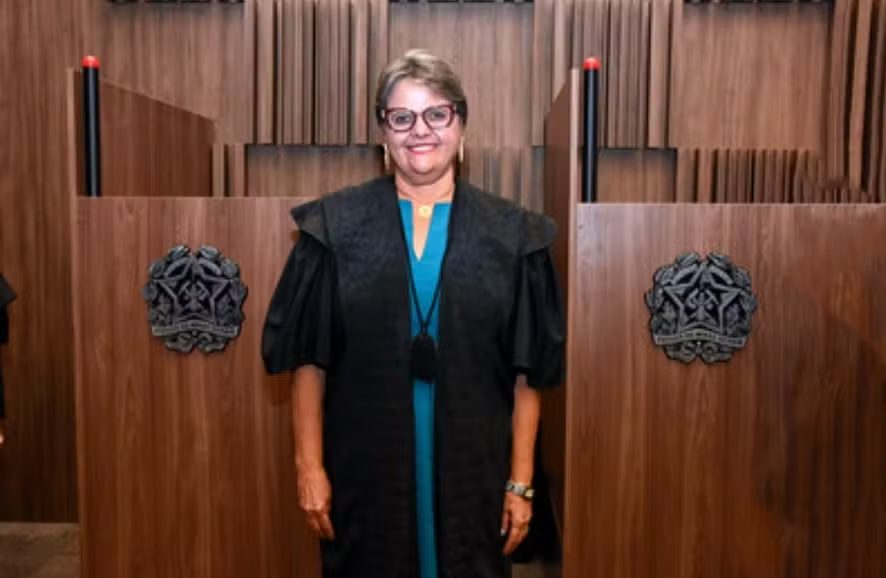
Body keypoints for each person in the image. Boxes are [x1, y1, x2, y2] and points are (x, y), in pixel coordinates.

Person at [262, 49, 564, 578]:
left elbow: (527, 375)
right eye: (401, 117)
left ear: (461, 123)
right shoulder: (335, 227)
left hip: (476, 471)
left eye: (436, 114)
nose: (419, 130)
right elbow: (309, 362)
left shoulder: (512, 234)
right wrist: (308, 467)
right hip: (365, 472)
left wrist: (520, 484)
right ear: (383, 132)